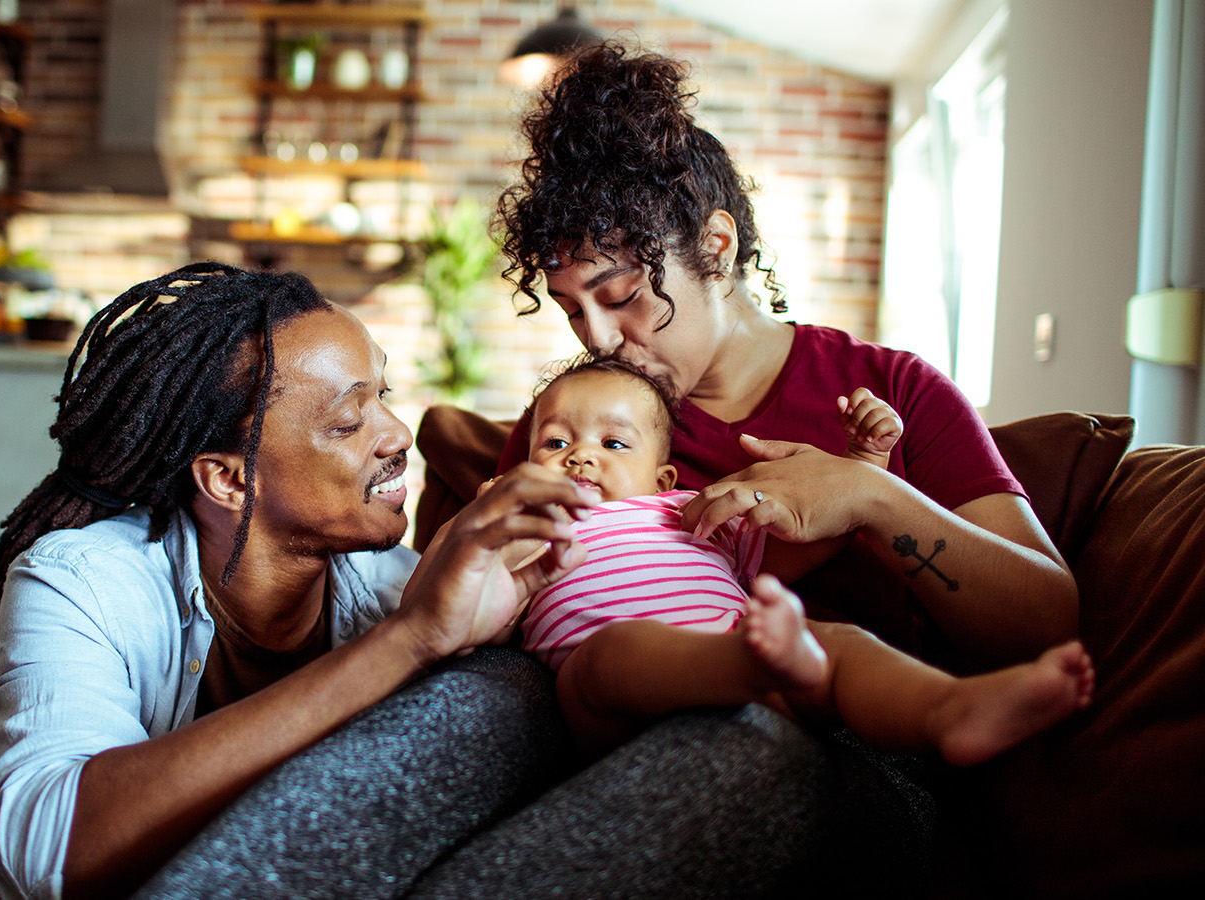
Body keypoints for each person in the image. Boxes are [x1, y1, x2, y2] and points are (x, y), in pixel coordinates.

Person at [451, 41, 1081, 895]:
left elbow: (1047, 620)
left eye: (623, 293)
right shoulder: (576, 425)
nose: (595, 340)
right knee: (439, 721)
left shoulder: (892, 390)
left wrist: (868, 491)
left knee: (734, 747)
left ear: (716, 245)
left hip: (838, 749)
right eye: (572, 308)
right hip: (605, 715)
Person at [0, 262, 601, 900]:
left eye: (383, 395)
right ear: (229, 479)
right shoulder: (84, 581)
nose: (398, 434)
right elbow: (45, 851)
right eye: (349, 423)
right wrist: (407, 643)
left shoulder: (394, 592)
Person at [509, 357, 1093, 762]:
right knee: (614, 654)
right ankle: (753, 662)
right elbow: (473, 605)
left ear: (662, 478)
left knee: (838, 644)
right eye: (556, 442)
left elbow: (803, 545)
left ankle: (950, 709)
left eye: (613, 444)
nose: (580, 457)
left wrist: (861, 467)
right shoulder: (525, 519)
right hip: (614, 697)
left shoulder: (689, 510)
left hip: (760, 661)